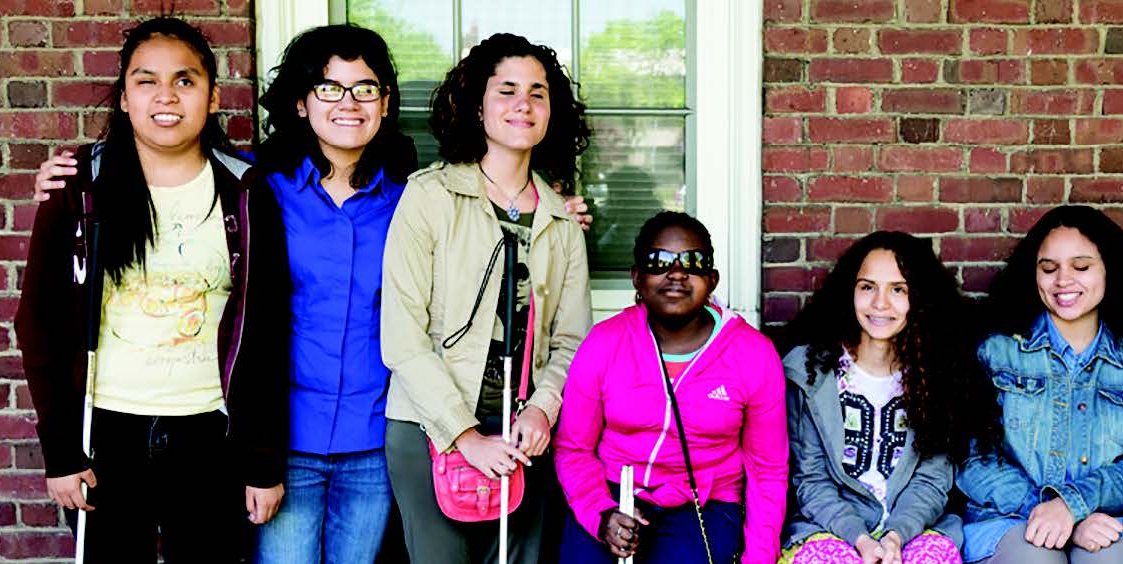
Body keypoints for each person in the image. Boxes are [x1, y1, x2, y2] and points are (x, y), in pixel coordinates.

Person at [14, 17, 289, 561]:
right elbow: (38, 322)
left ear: (212, 99)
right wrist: (61, 452)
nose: (167, 96)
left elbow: (266, 331)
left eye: (185, 81)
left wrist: (262, 462)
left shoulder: (245, 193)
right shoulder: (79, 188)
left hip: (211, 433)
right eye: (147, 80)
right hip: (106, 431)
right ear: (123, 98)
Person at [379, 32, 593, 563]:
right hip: (432, 426)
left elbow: (573, 339)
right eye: (507, 90)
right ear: (477, 107)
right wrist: (465, 435)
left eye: (538, 93)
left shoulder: (560, 221)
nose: (524, 103)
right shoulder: (428, 197)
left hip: (526, 434)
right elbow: (402, 338)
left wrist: (543, 410)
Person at [244, 24, 416, 564]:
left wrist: (555, 209)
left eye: (365, 88)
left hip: (374, 437)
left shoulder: (412, 200)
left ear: (385, 103)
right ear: (300, 102)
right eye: (329, 88)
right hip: (285, 440)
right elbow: (166, 168)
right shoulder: (259, 190)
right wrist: (78, 174)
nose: (348, 103)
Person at [554, 212, 788, 564]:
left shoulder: (753, 354)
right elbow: (573, 449)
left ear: (711, 279)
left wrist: (759, 559)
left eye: (692, 262)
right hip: (612, 493)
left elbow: (767, 471)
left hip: (706, 503)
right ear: (637, 277)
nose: (677, 273)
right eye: (658, 261)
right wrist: (601, 515)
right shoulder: (604, 343)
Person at [957, 206, 1123, 564]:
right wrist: (1050, 510)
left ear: (1108, 270)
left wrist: (1073, 506)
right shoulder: (996, 353)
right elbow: (973, 458)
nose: (1063, 280)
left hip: (1113, 521)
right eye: (1049, 269)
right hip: (1009, 518)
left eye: (1081, 267)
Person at [777, 231, 993, 564]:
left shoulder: (939, 375)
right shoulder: (809, 374)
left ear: (920, 299)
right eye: (867, 287)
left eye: (898, 289)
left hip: (915, 528)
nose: (880, 303)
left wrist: (895, 537)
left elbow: (933, 481)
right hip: (827, 528)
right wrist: (861, 540)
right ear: (849, 292)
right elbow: (811, 482)